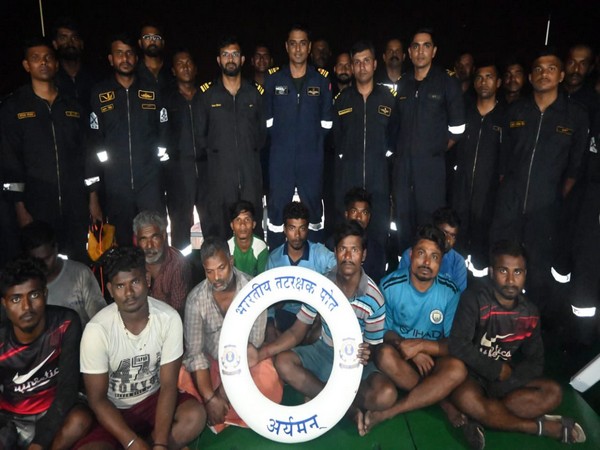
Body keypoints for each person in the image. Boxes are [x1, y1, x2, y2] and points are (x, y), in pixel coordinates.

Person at [253, 220, 397, 436]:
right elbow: (296, 331)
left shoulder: (374, 298)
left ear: (364, 255)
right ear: (336, 252)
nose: (348, 257)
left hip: (354, 363)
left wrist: (368, 352)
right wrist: (263, 352)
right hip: (324, 352)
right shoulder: (321, 285)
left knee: (386, 394)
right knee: (283, 362)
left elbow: (374, 346)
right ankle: (347, 408)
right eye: (343, 250)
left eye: (354, 250)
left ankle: (319, 391)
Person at [448, 240, 586, 448]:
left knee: (553, 392)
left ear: (525, 274)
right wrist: (494, 369)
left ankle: (487, 416)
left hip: (504, 384)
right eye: (504, 271)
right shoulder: (474, 299)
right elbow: (458, 345)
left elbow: (535, 361)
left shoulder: (529, 312)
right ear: (492, 272)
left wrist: (508, 382)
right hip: (472, 377)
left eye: (518, 272)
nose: (511, 280)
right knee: (467, 398)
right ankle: (538, 427)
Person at [491, 48, 589, 319]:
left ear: (560, 75)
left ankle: (532, 326)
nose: (543, 73)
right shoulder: (516, 111)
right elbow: (504, 161)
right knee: (504, 264)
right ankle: (498, 321)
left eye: (550, 68)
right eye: (538, 69)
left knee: (537, 271)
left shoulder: (575, 117)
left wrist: (549, 198)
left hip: (546, 210)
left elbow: (574, 169)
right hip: (510, 204)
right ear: (531, 76)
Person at [75, 247, 205, 449]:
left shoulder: (169, 319)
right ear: (110, 290)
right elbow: (97, 399)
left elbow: (169, 385)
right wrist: (131, 441)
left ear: (147, 279)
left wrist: (161, 444)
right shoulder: (96, 330)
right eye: (120, 286)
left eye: (135, 282)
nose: (128, 293)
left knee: (194, 416)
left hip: (154, 401)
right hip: (114, 410)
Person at [363, 224, 462, 433]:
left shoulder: (450, 291)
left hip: (433, 363)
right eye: (421, 254)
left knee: (458, 369)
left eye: (435, 257)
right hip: (400, 359)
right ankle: (443, 402)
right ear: (410, 254)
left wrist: (421, 347)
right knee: (384, 355)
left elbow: (455, 344)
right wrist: (406, 348)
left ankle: (393, 410)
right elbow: (381, 332)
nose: (427, 262)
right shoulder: (390, 285)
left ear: (441, 262)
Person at [1, 37, 89, 261]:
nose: (43, 62)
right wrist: (20, 208)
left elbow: (86, 155)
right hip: (37, 204)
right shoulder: (14, 107)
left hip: (74, 202)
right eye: (36, 58)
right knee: (41, 265)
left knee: (77, 260)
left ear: (56, 64)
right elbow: (10, 162)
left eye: (48, 58)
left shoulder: (73, 106)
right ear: (26, 65)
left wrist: (93, 199)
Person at [182, 237, 282, 431]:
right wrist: (210, 397)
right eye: (209, 272)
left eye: (221, 268)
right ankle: (230, 412)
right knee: (184, 377)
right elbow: (195, 354)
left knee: (270, 385)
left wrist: (219, 395)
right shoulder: (195, 299)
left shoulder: (254, 290)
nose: (216, 278)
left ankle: (221, 412)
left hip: (247, 362)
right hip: (214, 361)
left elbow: (253, 345)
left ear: (231, 261)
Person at [86, 32, 169, 246]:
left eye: (130, 53)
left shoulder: (151, 91)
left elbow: (164, 133)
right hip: (115, 186)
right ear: (111, 59)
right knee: (122, 244)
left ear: (136, 57)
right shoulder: (100, 93)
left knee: (155, 241)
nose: (125, 59)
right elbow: (94, 143)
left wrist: (159, 171)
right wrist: (95, 192)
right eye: (119, 53)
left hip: (150, 183)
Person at [0, 256, 92, 449]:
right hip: (13, 417)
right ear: (5, 304)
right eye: (16, 299)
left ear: (45, 293)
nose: (26, 307)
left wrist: (40, 442)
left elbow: (68, 388)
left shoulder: (65, 323)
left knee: (80, 420)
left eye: (34, 295)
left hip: (56, 410)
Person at [392, 28, 465, 252]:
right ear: (410, 52)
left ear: (434, 51)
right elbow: (396, 125)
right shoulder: (403, 83)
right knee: (403, 225)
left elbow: (458, 128)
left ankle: (428, 278)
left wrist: (433, 150)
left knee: (429, 227)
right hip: (403, 170)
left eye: (426, 46)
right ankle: (404, 274)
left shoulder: (446, 82)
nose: (420, 51)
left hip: (431, 172)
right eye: (416, 46)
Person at [264, 24, 332, 247]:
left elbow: (326, 125)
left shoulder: (321, 81)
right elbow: (267, 124)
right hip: (280, 162)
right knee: (276, 216)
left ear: (309, 47)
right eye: (293, 43)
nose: (298, 49)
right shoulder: (274, 80)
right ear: (286, 47)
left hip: (311, 163)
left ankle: (313, 268)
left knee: (312, 217)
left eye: (303, 43)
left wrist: (310, 147)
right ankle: (275, 262)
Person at [196, 36, 266, 239]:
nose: (230, 59)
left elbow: (261, 136)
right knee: (219, 230)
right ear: (219, 60)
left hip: (250, 175)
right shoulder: (207, 96)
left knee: (252, 231)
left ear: (243, 59)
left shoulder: (254, 94)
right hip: (219, 179)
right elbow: (200, 138)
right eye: (225, 55)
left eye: (235, 54)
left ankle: (254, 271)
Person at [333, 40, 398, 252]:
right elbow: (336, 139)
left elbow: (395, 137)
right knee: (348, 238)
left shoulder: (388, 100)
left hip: (379, 181)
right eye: (357, 62)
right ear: (352, 67)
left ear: (375, 64)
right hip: (348, 180)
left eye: (366, 61)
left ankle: (376, 281)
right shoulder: (342, 101)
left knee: (378, 235)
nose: (362, 67)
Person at [453, 63, 505, 269]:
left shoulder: (506, 117)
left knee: (481, 257)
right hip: (460, 194)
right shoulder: (465, 113)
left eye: (489, 76)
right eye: (480, 77)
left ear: (498, 82)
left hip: (489, 198)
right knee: (456, 249)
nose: (484, 82)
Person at [266, 201, 336, 334]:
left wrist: (322, 282)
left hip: (315, 317)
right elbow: (267, 304)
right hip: (286, 316)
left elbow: (340, 269)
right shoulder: (274, 259)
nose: (297, 235)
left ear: (307, 229)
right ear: (285, 230)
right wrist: (270, 329)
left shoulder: (319, 253)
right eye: (292, 228)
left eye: (302, 228)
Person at [20, 220, 106, 327]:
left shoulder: (80, 274)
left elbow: (101, 320)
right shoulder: (22, 286)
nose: (42, 265)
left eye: (47, 258)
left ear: (56, 248)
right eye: (36, 261)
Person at [164, 49, 208, 250]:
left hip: (207, 170)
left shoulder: (206, 97)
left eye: (189, 62)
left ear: (196, 68)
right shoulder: (167, 100)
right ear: (173, 70)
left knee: (212, 224)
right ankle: (182, 275)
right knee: (181, 226)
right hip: (179, 172)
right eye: (180, 64)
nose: (185, 67)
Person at [133, 210, 191, 317]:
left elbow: (176, 312)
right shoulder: (133, 263)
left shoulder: (177, 264)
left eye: (154, 237)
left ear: (164, 236)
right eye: (143, 239)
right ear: (136, 240)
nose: (149, 246)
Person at [399, 207, 467, 292]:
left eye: (453, 236)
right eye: (445, 233)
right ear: (435, 229)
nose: (449, 240)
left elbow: (458, 296)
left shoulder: (458, 262)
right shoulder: (411, 254)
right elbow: (401, 288)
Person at [51, 17, 96, 115]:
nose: (70, 43)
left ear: (81, 43)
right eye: (63, 38)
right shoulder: (51, 79)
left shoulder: (95, 76)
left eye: (74, 38)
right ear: (55, 44)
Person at [343, 187, 386, 283]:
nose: (358, 217)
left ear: (369, 217)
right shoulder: (332, 243)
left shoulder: (377, 249)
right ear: (346, 214)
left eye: (364, 212)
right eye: (354, 211)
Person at [227, 200, 268, 277]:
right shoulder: (228, 247)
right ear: (232, 225)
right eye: (238, 220)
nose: (242, 225)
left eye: (247, 219)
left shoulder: (260, 247)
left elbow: (263, 279)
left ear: (253, 224)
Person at [137, 22, 174, 93]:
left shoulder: (172, 70)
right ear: (140, 42)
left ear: (162, 43)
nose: (152, 41)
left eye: (156, 37)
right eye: (147, 37)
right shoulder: (134, 72)